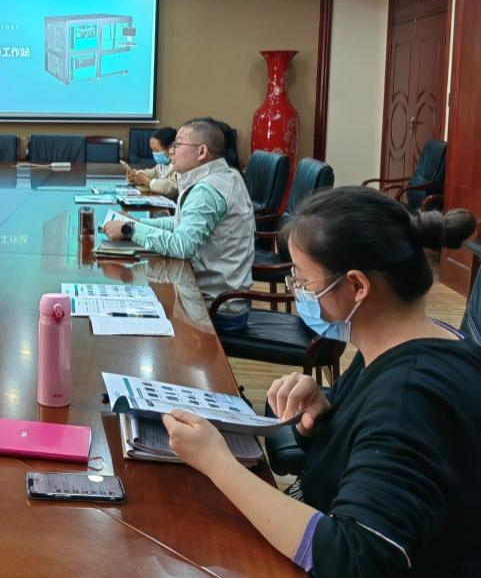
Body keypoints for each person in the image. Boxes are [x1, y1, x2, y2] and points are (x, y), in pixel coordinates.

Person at [161, 187, 480, 577]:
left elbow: (355, 557)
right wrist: (325, 416)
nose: (297, 292)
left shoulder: (411, 396)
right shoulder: (408, 341)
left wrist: (216, 462)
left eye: (303, 279)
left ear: (357, 286)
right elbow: (373, 454)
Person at [104, 118, 255, 331]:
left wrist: (129, 229)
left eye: (178, 144)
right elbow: (181, 224)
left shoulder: (207, 190)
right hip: (211, 297)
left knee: (131, 321)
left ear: (201, 152)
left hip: (215, 309)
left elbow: (182, 246)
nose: (171, 151)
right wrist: (137, 222)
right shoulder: (225, 175)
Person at [126, 127, 178, 199]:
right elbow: (151, 173)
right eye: (152, 150)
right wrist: (135, 175)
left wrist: (147, 181)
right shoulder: (161, 164)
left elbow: (171, 187)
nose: (154, 153)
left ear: (170, 147)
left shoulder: (179, 164)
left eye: (156, 150)